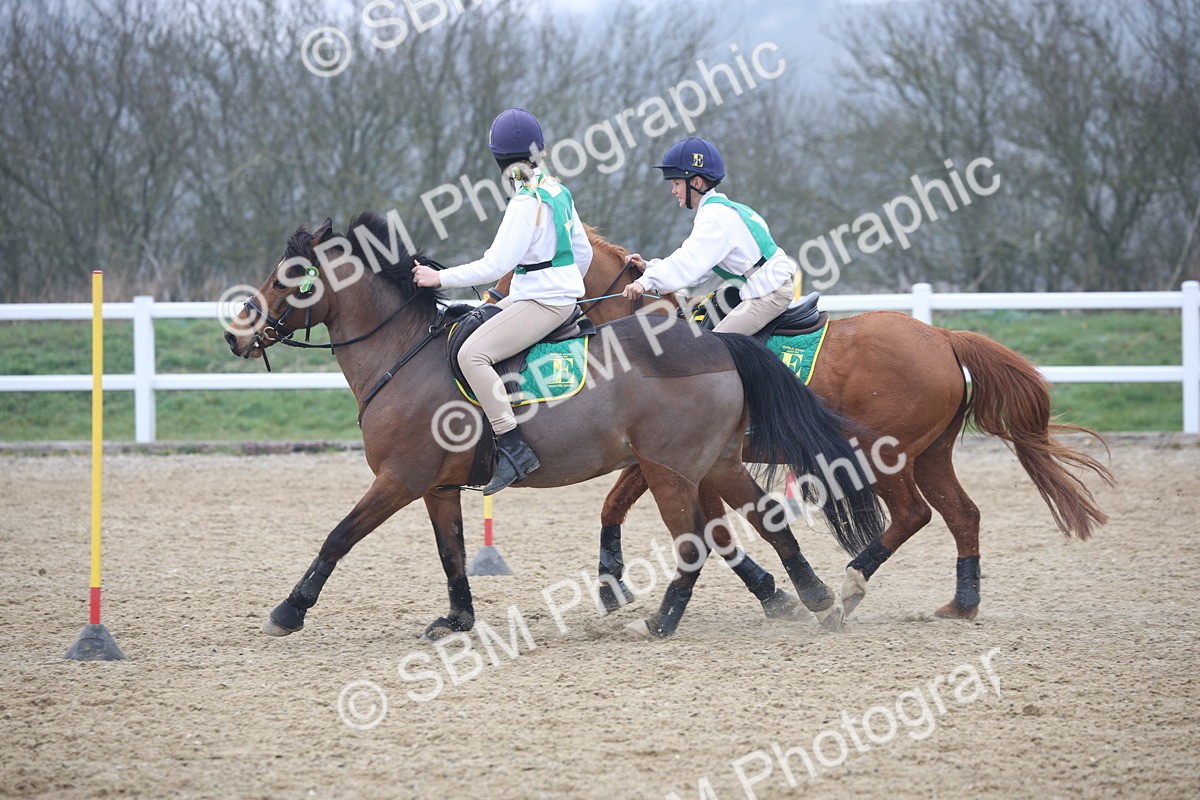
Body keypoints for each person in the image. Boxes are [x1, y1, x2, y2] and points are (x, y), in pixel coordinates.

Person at [413, 108, 592, 494]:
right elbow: (584, 254)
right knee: (474, 320)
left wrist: (437, 278)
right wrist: (560, 282)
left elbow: (496, 264)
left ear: (500, 161)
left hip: (543, 303)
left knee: (471, 355)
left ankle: (512, 446)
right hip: (548, 297)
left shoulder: (525, 201)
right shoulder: (558, 191)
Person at [621, 137, 798, 334]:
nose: (673, 191)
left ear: (696, 182)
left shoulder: (715, 218)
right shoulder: (718, 210)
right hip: (760, 288)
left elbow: (687, 263)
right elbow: (699, 269)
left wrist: (645, 281)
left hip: (768, 294)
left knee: (714, 351)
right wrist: (648, 267)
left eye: (677, 183)